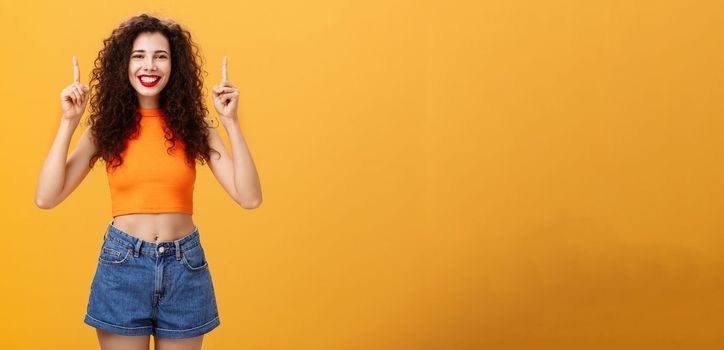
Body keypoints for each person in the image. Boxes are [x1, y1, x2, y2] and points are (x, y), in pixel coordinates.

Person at [34, 13, 262, 350]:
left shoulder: (196, 125)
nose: (149, 66)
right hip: (123, 265)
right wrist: (69, 122)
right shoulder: (106, 127)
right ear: (123, 65)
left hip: (185, 267)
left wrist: (230, 122)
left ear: (175, 66)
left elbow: (249, 197)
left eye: (161, 56)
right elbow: (47, 197)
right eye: (138, 56)